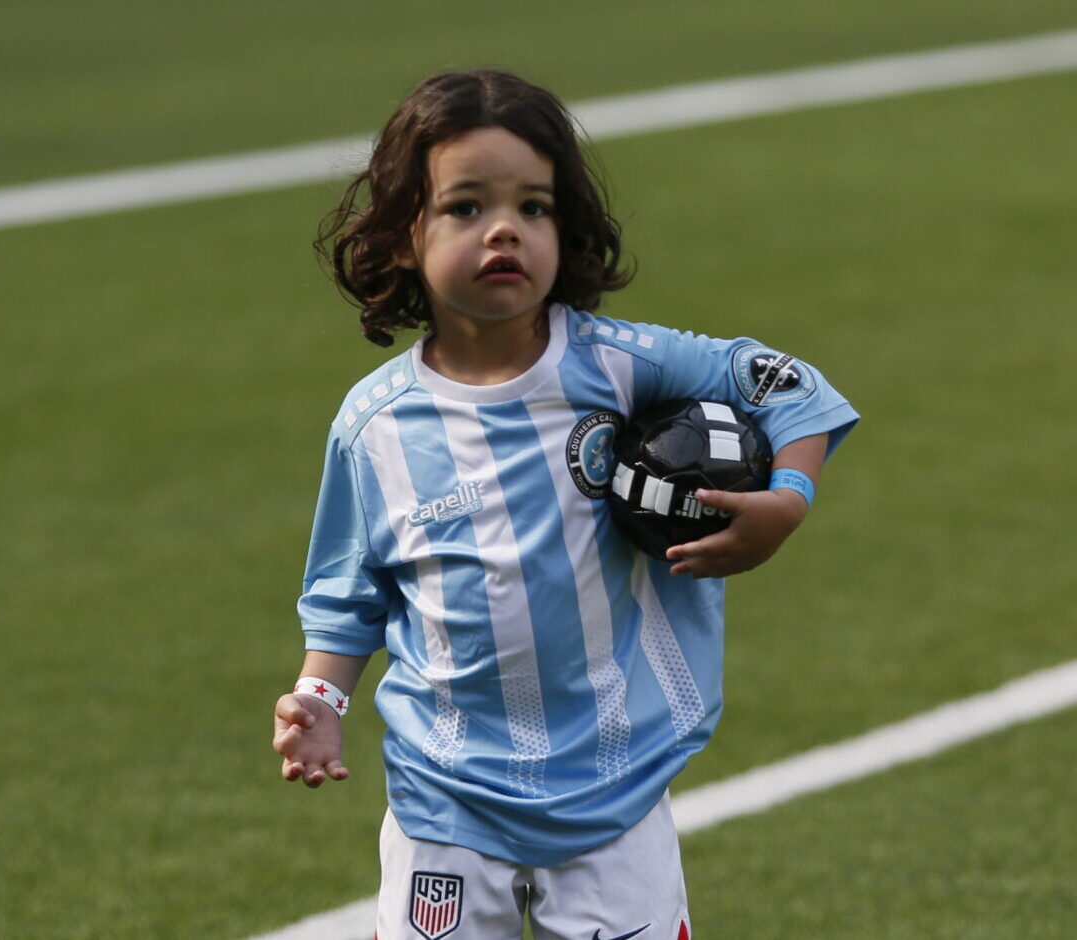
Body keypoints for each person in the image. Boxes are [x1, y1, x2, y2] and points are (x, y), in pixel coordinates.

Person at [271, 69, 859, 940]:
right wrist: (321, 699)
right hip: (447, 795)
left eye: (534, 207)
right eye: (466, 207)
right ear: (404, 237)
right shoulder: (376, 427)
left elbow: (792, 388)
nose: (505, 228)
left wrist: (788, 500)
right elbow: (348, 594)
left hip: (614, 788)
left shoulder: (622, 366)